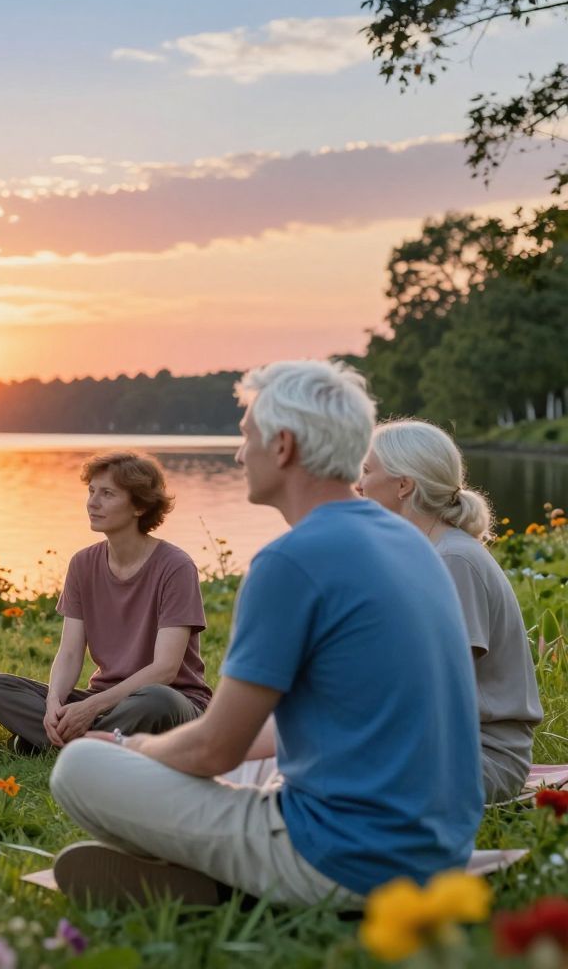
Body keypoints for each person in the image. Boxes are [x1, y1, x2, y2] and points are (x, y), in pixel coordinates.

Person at [48, 360, 482, 907]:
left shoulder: (291, 561)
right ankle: (219, 869)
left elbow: (212, 747)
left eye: (245, 435)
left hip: (349, 861)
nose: (237, 453)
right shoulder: (410, 542)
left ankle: (244, 880)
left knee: (80, 768)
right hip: (438, 849)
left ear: (282, 447)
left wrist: (126, 744)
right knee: (253, 760)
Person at [357, 419, 541, 803]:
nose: (358, 483)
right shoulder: (429, 554)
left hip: (480, 758)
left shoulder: (455, 560)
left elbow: (437, 684)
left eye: (367, 470)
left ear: (403, 485)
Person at [0, 452, 210, 754]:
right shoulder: (82, 564)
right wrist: (54, 704)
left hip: (169, 700)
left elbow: (165, 670)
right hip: (104, 701)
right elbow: (70, 651)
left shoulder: (175, 566)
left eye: (107, 494)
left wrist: (89, 708)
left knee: (157, 700)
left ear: (140, 506)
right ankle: (88, 740)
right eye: (91, 491)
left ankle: (55, 743)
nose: (92, 502)